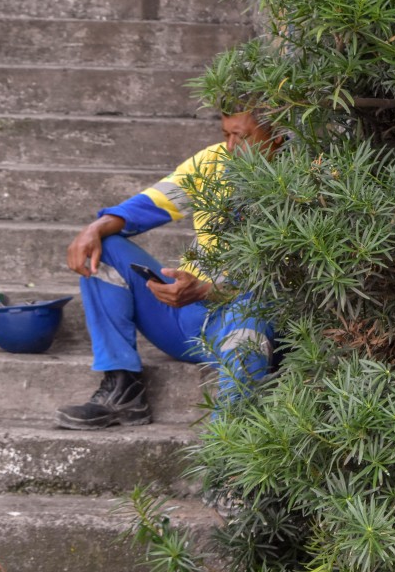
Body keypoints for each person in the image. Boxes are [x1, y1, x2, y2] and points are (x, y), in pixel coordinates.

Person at [56, 111, 282, 430]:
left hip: (238, 322)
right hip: (180, 319)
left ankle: (228, 449)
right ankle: (123, 390)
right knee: (105, 248)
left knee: (254, 312)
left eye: (242, 137)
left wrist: (207, 290)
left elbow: (286, 283)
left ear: (278, 138)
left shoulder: (303, 185)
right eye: (225, 134)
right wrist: (95, 227)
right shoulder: (212, 161)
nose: (230, 147)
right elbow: (153, 203)